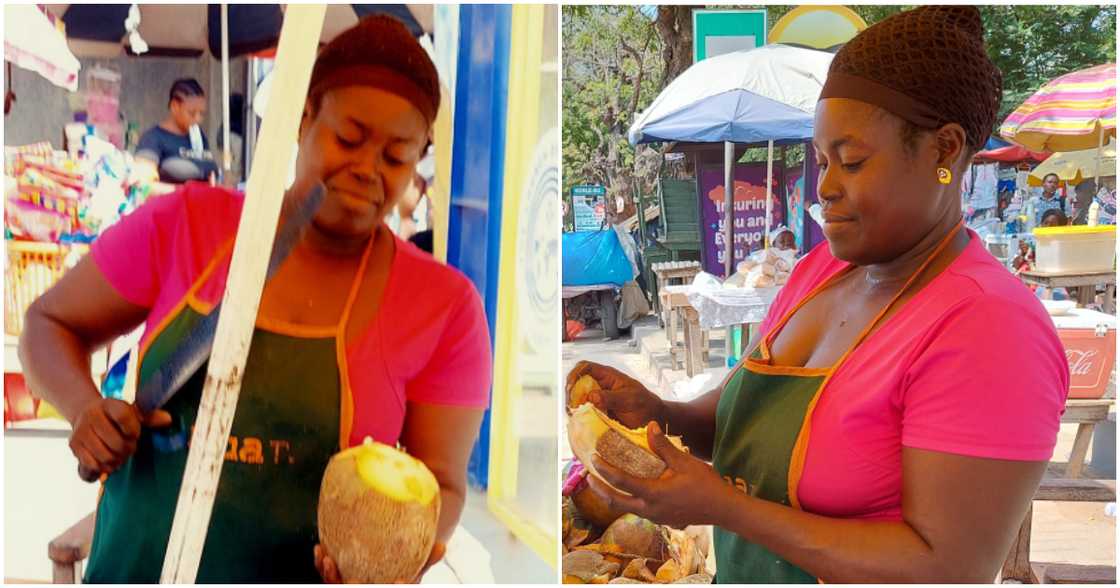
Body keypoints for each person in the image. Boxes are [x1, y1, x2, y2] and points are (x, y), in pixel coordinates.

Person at [568, 7, 1067, 583]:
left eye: (852, 162)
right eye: (823, 160)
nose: (826, 187)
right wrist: (661, 414)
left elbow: (946, 564)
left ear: (945, 152)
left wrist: (727, 510)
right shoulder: (820, 271)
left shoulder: (989, 325)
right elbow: (742, 422)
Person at [19, 16, 490, 583]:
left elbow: (439, 484)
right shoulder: (187, 224)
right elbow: (48, 324)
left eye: (395, 156)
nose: (367, 169)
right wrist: (84, 408)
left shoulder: (445, 307)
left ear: (420, 159)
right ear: (305, 117)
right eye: (348, 138)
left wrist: (393, 561)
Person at [133, 78, 219, 184]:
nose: (198, 119)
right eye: (191, 113)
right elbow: (144, 185)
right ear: (174, 107)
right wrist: (185, 193)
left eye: (201, 114)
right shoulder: (152, 139)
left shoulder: (199, 136)